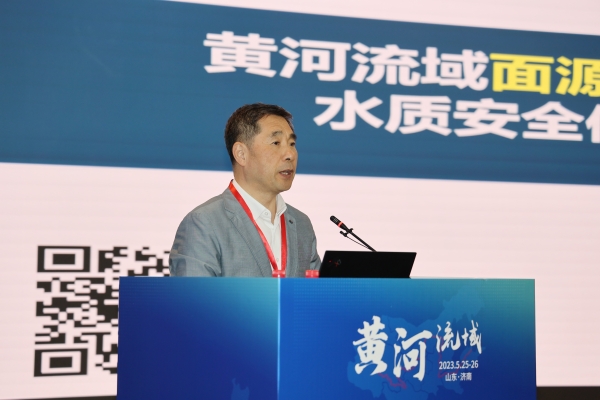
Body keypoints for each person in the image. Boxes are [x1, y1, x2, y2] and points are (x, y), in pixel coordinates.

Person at [169, 103, 321, 277]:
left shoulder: (301, 224)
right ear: (241, 154)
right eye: (276, 143)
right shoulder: (203, 224)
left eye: (292, 143)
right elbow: (192, 294)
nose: (290, 154)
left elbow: (316, 292)